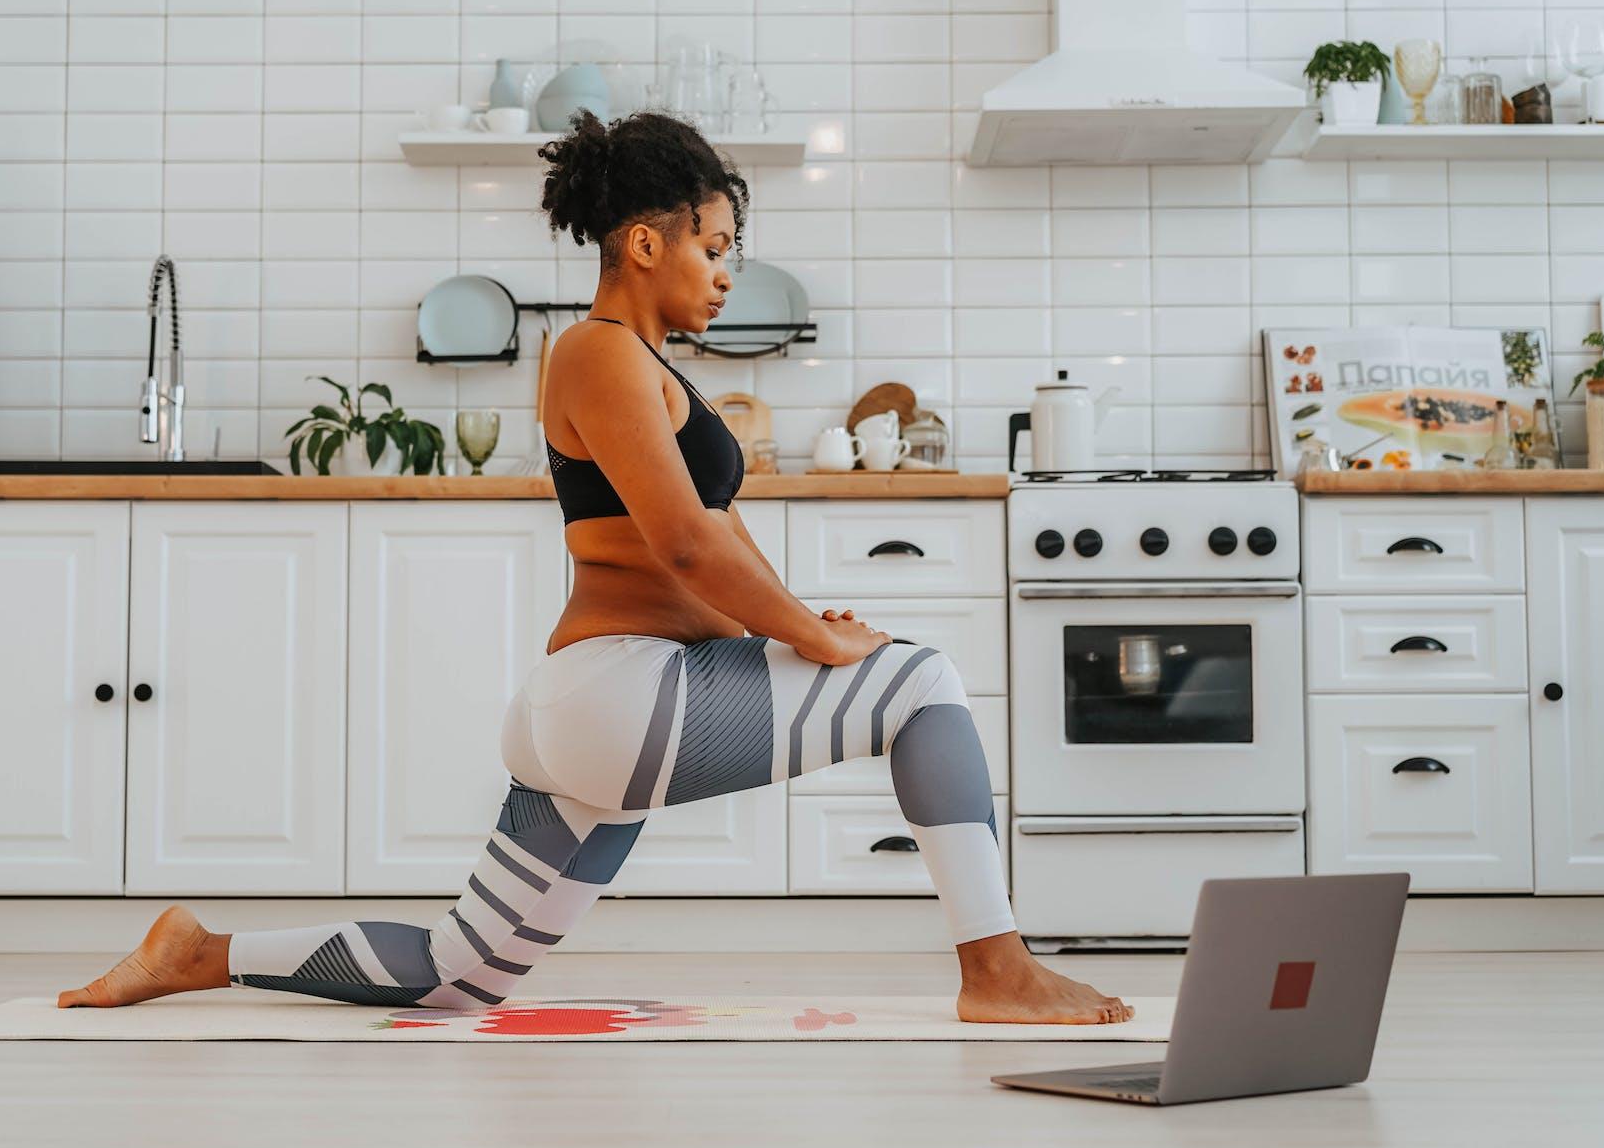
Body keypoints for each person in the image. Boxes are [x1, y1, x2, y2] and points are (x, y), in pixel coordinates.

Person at [58, 110, 1133, 1025]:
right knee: (926, 683)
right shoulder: (596, 349)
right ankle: (996, 968)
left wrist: (801, 625)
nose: (724, 273)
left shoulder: (645, 367)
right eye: (715, 246)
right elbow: (681, 542)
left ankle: (202, 950)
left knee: (459, 973)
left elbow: (711, 527)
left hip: (599, 707)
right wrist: (811, 639)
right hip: (620, 694)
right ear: (644, 242)